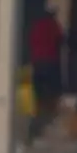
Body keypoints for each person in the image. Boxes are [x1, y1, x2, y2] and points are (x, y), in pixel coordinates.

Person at [29, 8, 66, 139]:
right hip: (50, 62)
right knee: (53, 92)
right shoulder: (52, 25)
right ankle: (50, 117)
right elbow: (61, 39)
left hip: (37, 63)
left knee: (38, 94)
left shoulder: (36, 26)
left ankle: (37, 118)